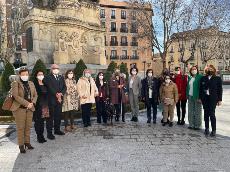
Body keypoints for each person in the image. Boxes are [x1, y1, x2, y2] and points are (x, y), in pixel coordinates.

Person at [10, 67, 38, 153]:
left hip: (30, 109)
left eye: (26, 74)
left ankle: (27, 142)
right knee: (20, 128)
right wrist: (27, 104)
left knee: (28, 127)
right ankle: (21, 145)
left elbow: (35, 95)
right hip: (19, 109)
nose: (25, 76)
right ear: (19, 75)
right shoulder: (16, 83)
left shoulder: (31, 83)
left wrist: (32, 103)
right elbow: (16, 96)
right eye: (23, 74)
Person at [44, 64, 67, 139]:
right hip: (51, 100)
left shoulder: (61, 77)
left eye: (57, 68)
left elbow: (64, 87)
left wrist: (61, 93)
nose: (56, 69)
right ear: (51, 69)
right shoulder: (47, 77)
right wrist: (56, 94)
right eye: (54, 68)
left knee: (58, 116)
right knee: (50, 117)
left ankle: (57, 130)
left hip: (59, 100)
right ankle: (49, 133)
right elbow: (49, 87)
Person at [199, 65, 223, 137]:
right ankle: (206, 128)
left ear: (214, 70)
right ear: (206, 70)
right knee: (206, 113)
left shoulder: (217, 78)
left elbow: (220, 90)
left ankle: (214, 130)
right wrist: (200, 98)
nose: (210, 70)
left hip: (213, 98)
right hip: (205, 98)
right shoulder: (203, 78)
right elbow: (200, 89)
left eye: (211, 68)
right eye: (208, 69)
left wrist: (219, 100)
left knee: (212, 113)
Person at [33, 70, 51, 143]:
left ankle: (42, 136)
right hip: (38, 106)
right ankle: (39, 136)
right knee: (38, 122)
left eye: (42, 74)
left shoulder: (45, 83)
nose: (41, 75)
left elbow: (49, 93)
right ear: (36, 76)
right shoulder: (34, 84)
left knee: (43, 122)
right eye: (39, 74)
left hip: (45, 105)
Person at [186, 66, 203, 130]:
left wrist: (200, 97)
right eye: (192, 69)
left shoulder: (200, 77)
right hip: (190, 96)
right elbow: (188, 87)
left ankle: (197, 125)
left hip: (197, 96)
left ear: (197, 70)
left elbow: (201, 88)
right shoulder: (190, 77)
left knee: (197, 111)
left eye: (195, 69)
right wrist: (187, 94)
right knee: (190, 110)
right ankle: (191, 124)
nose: (193, 70)